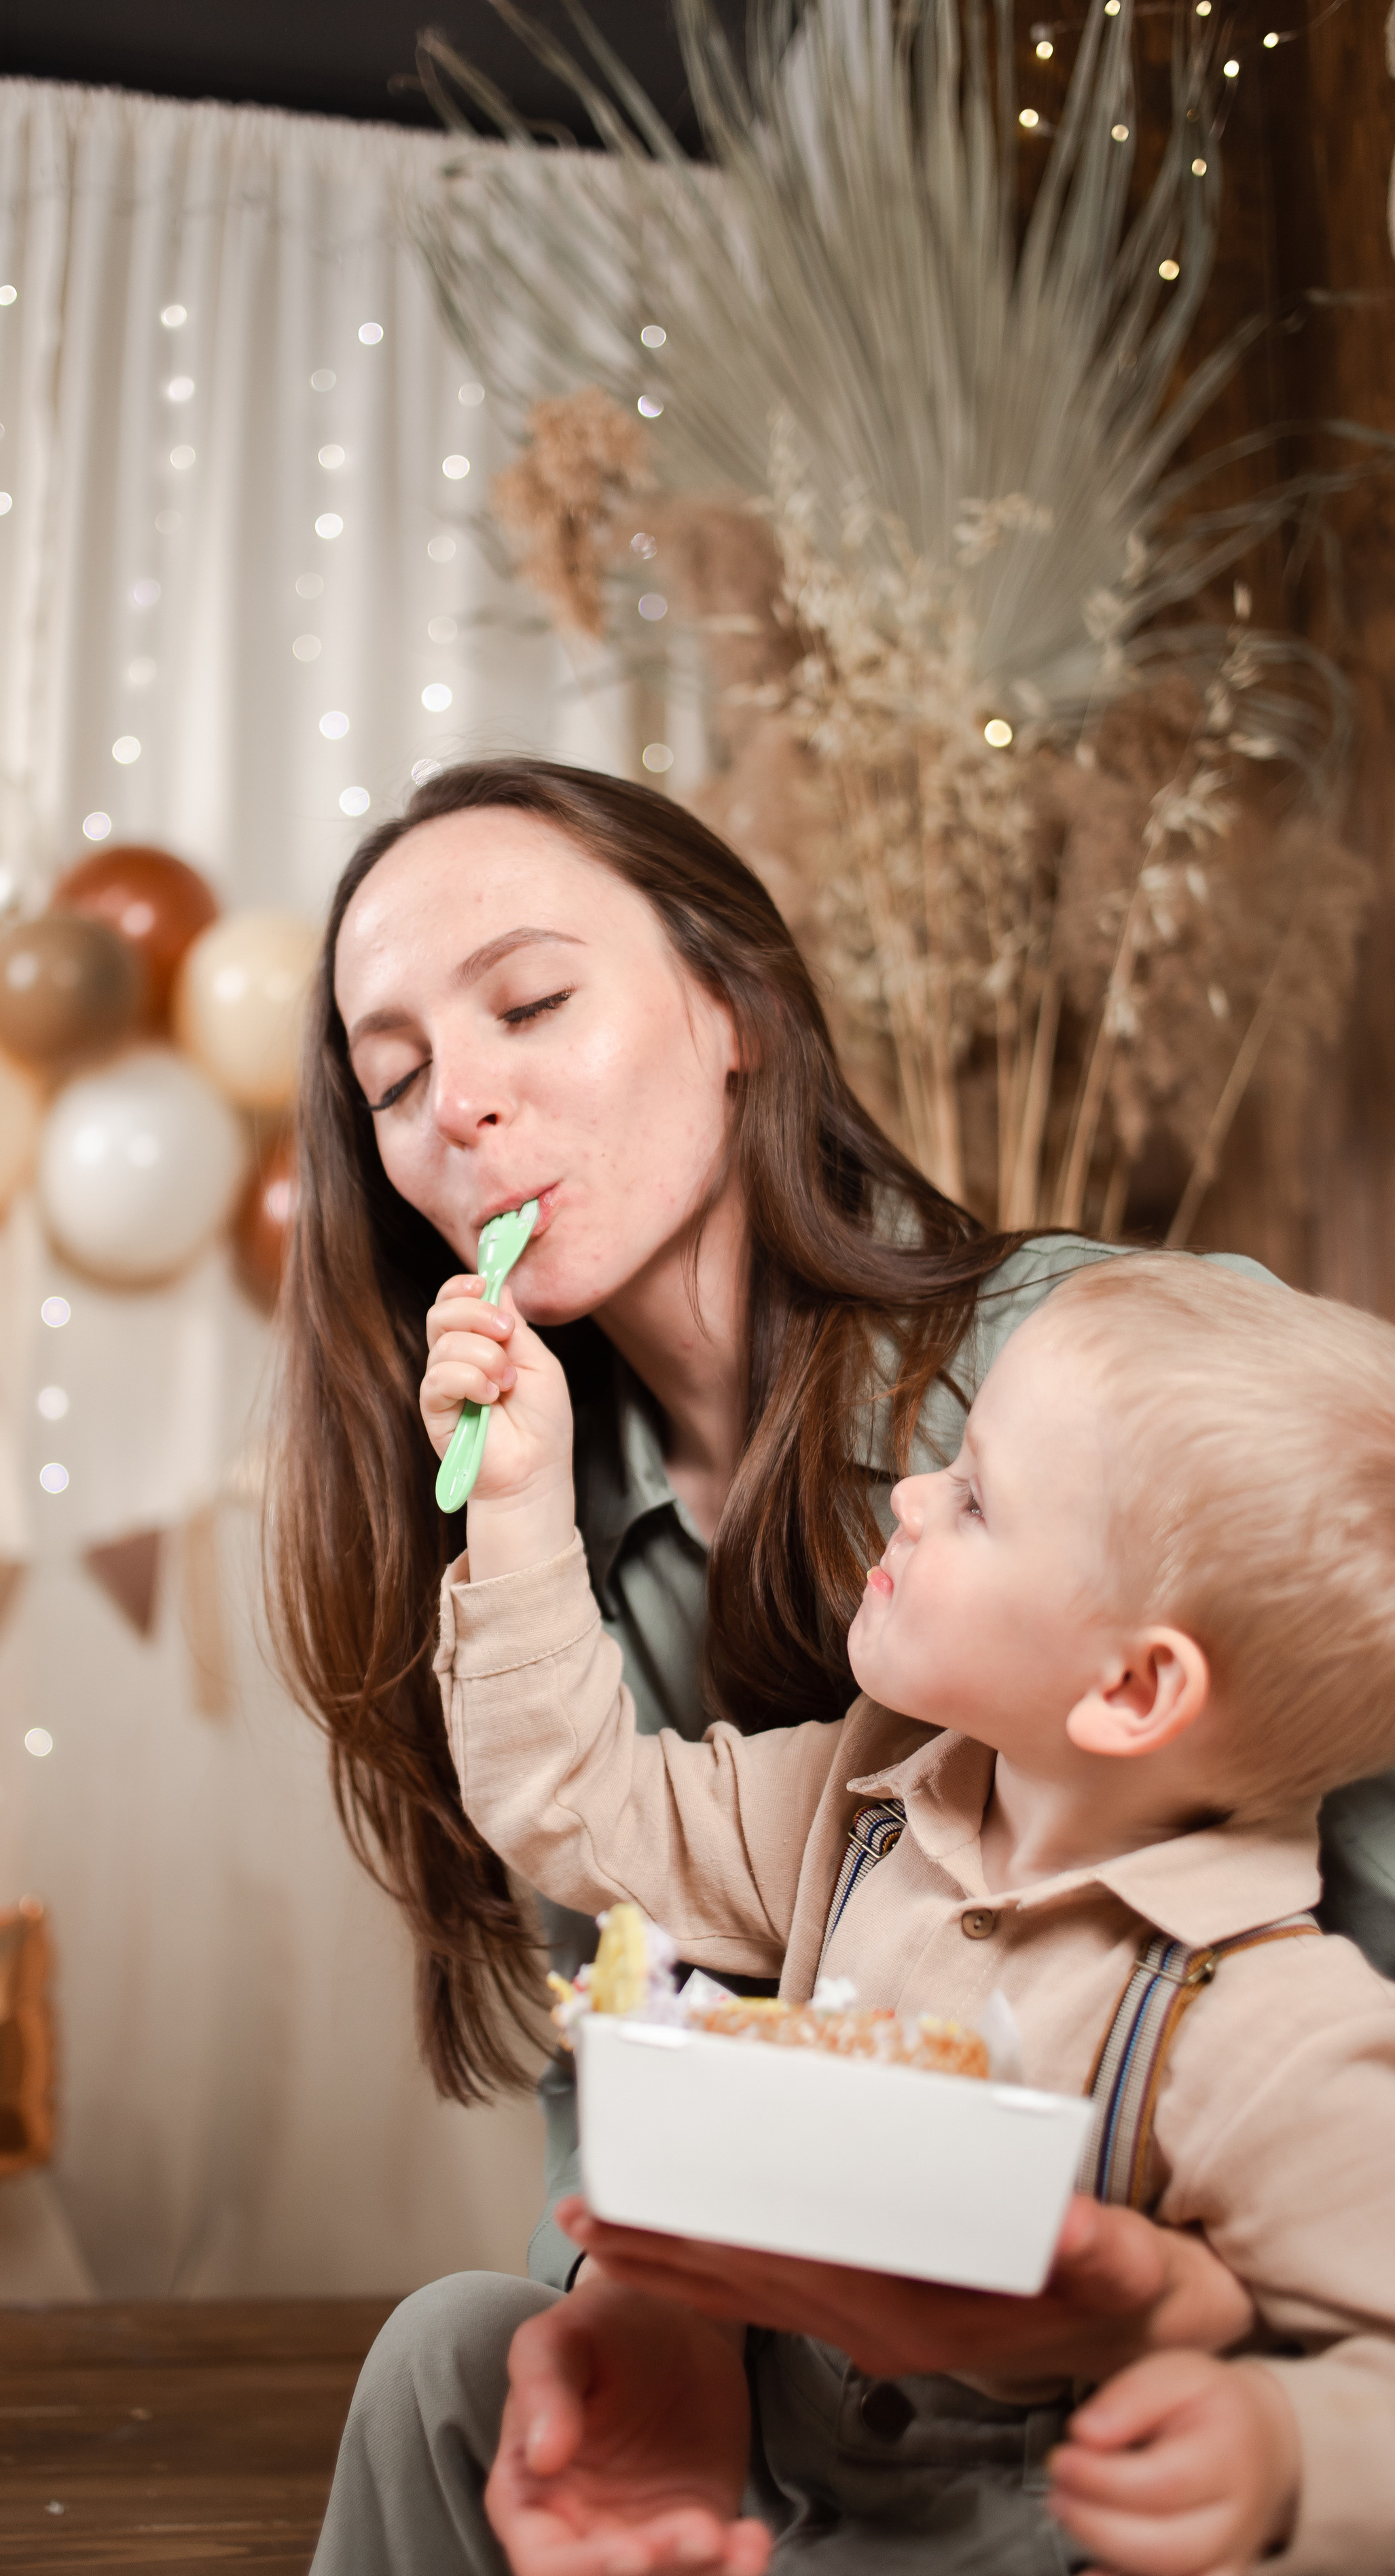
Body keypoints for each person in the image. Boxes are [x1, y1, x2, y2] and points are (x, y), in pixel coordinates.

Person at [270, 759, 1385, 2571]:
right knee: (449, 2359)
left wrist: (1181, 2326)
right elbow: (602, 1896)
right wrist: (665, 2326)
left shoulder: (1104, 1392)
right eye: (392, 1081)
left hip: (1129, 2444)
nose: (455, 1105)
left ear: (734, 1007)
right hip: (806, 2426)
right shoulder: (851, 1772)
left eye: (533, 1000)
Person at [430, 1251, 1395, 2571]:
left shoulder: (1273, 2024)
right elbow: (577, 1807)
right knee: (443, 2358)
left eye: (978, 1499)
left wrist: (1279, 2446)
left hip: (1006, 2535)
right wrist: (516, 1505)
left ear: (1129, 1692)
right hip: (762, 2462)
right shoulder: (865, 1790)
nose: (909, 1497)